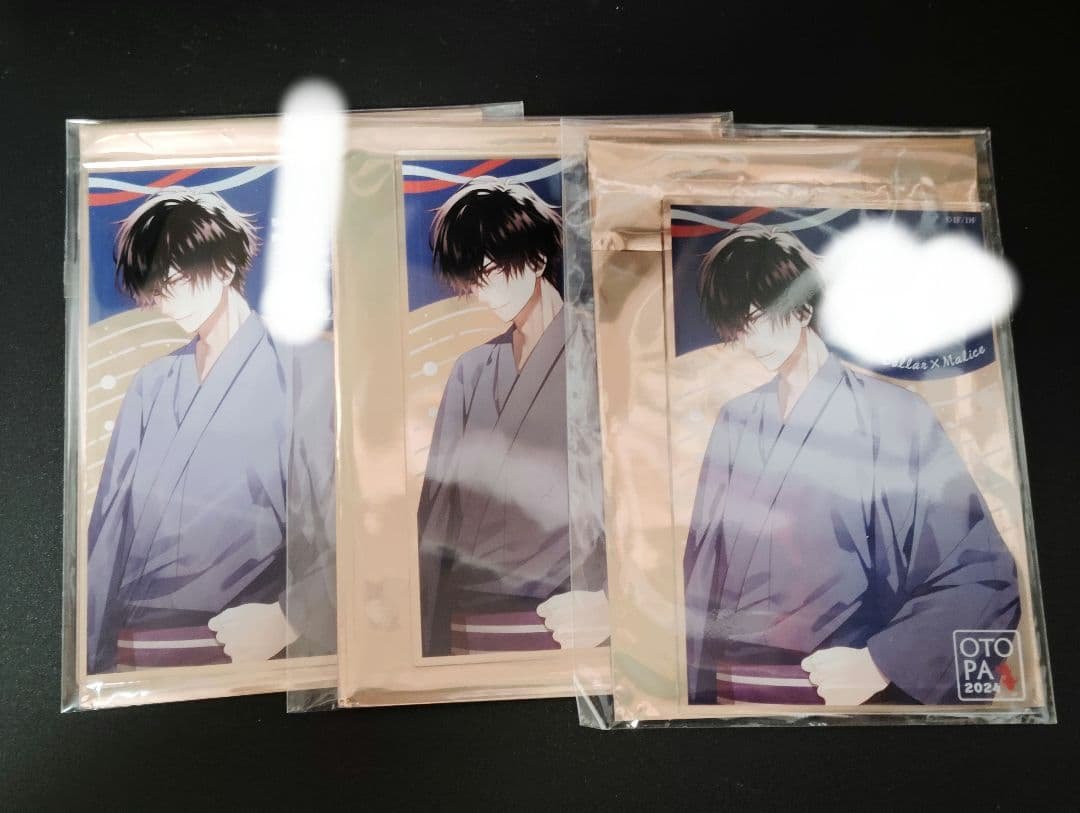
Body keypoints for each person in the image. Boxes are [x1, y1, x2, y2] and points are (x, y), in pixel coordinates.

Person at [682, 224, 1019, 705]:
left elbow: (980, 569)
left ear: (802, 309)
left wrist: (881, 662)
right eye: (738, 327)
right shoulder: (737, 418)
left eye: (757, 318)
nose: (749, 341)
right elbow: (702, 568)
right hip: (729, 688)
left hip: (845, 688)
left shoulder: (894, 415)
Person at [87, 189, 334, 674]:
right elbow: (108, 535)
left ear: (223, 267)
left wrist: (291, 616)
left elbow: (342, 521)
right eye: (155, 289)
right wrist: (91, 663)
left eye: (174, 281)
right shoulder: (152, 383)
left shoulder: (307, 366)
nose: (165, 301)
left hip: (249, 645)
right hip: (133, 650)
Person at [417, 176, 606, 657]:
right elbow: (438, 513)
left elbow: (635, 491)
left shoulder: (600, 353)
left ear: (537, 260)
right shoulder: (472, 368)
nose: (484, 291)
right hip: (466, 612)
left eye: (491, 271)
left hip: (569, 611)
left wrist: (612, 598)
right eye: (473, 279)